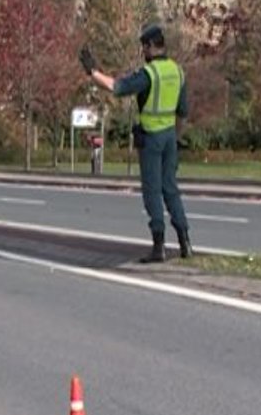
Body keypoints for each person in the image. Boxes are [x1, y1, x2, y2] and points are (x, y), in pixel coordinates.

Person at [80, 24, 192, 263]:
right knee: (170, 188)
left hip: (151, 138)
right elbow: (183, 111)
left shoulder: (149, 74)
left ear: (151, 46)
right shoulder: (178, 71)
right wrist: (177, 136)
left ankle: (158, 246)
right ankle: (185, 242)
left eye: (144, 47)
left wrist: (93, 72)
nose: (143, 51)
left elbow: (116, 87)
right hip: (170, 137)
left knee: (152, 190)